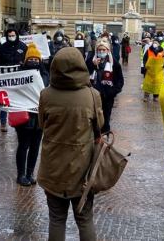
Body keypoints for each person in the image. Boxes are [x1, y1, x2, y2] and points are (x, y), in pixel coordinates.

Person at [38, 47, 104, 241]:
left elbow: (42, 124)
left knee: (56, 219)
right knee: (84, 219)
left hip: (53, 167)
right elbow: (99, 126)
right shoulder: (92, 95)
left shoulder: (46, 94)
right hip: (82, 168)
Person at [15, 44, 48, 186]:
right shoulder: (19, 74)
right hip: (25, 117)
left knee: (35, 147)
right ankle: (21, 175)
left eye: (36, 59)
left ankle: (30, 173)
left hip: (39, 118)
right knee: (23, 145)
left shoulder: (45, 74)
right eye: (31, 59)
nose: (34, 61)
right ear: (26, 60)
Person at [86, 40, 124, 133]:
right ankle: (95, 135)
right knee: (93, 117)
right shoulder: (91, 61)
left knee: (106, 117)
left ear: (108, 50)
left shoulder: (113, 63)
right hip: (93, 96)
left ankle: (105, 134)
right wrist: (93, 65)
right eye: (99, 50)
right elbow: (84, 74)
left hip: (107, 96)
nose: (101, 52)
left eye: (103, 50)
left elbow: (120, 81)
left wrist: (112, 92)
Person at [0, 29, 27, 131]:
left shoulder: (22, 46)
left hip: (19, 79)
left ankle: (19, 123)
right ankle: (3, 123)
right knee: (4, 101)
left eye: (13, 35)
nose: (11, 37)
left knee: (18, 101)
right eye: (9, 36)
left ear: (16, 35)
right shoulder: (3, 47)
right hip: (6, 78)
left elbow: (27, 59)